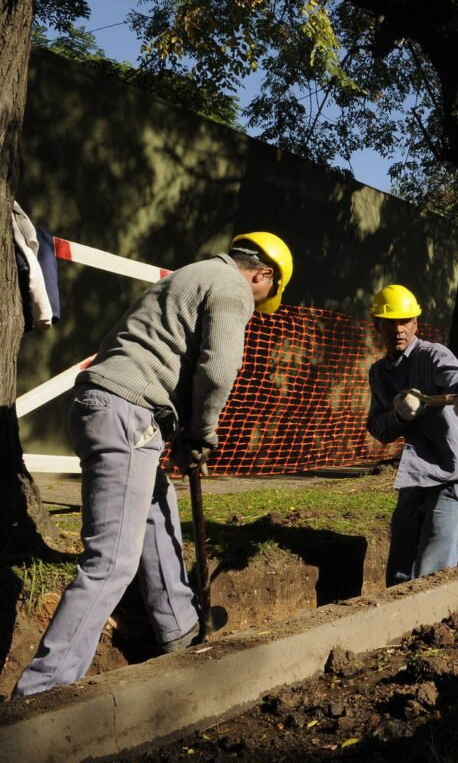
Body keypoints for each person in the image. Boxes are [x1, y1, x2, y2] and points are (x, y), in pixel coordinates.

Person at [13, 231, 294, 699]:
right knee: (111, 563)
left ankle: (180, 627)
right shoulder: (231, 287)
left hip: (104, 406)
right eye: (267, 293)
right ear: (263, 274)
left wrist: (181, 430)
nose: (260, 302)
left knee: (156, 509)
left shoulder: (189, 276)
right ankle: (41, 694)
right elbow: (220, 368)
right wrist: (204, 433)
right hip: (127, 413)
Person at [365, 284, 458, 586]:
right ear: (376, 325)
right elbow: (378, 428)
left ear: (416, 323)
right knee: (399, 571)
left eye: (405, 321)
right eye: (390, 322)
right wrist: (398, 416)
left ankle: (427, 630)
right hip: (417, 475)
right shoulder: (379, 373)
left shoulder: (432, 355)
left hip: (453, 472)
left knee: (434, 571)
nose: (398, 329)